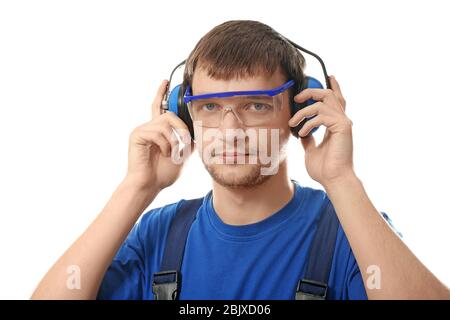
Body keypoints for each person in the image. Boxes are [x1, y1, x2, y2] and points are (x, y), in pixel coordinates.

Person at [32, 20, 450, 300]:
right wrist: (136, 188)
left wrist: (341, 180)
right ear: (184, 115)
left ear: (299, 112)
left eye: (256, 105)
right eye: (210, 107)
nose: (231, 130)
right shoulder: (159, 234)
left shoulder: (348, 230)